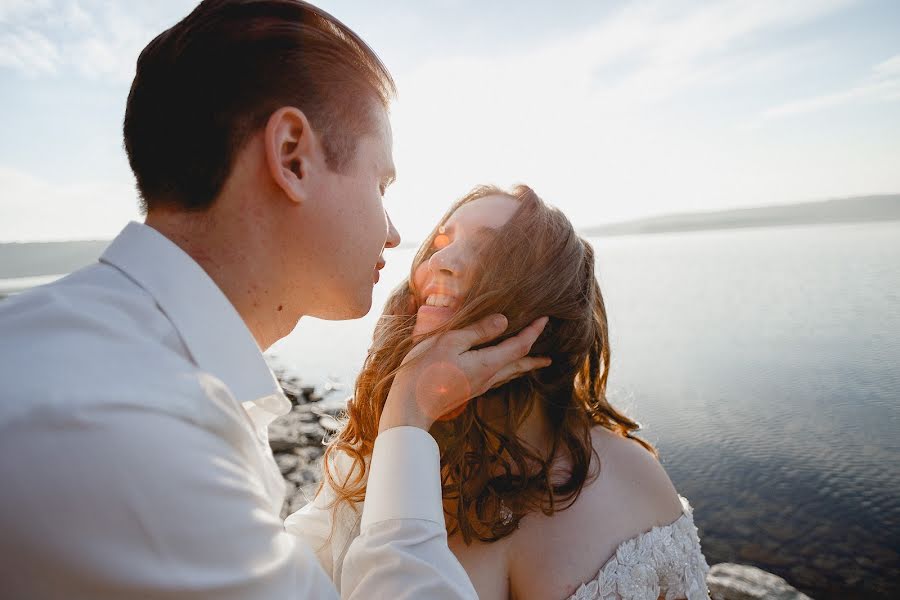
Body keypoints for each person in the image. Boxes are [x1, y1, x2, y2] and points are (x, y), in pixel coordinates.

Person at [0, 2, 550, 598]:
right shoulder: (139, 429)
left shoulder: (91, 344)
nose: (393, 232)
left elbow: (277, 559)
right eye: (380, 183)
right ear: (291, 157)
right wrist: (408, 414)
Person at [286, 184, 712, 600]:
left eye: (489, 251)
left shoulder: (630, 474)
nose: (442, 261)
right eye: (441, 242)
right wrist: (404, 409)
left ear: (546, 297)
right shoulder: (375, 453)